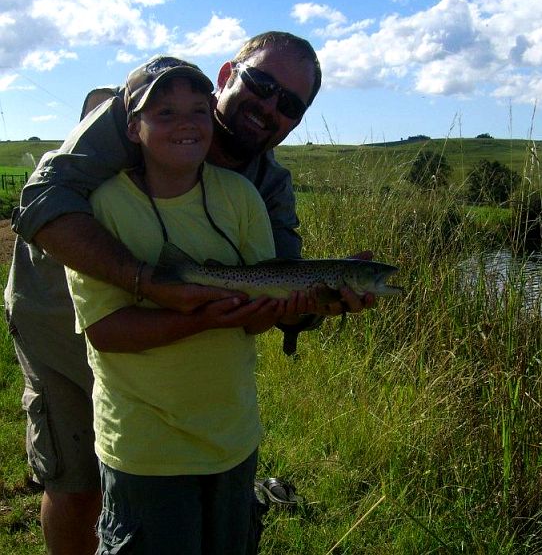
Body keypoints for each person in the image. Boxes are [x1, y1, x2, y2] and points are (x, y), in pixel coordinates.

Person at [4, 31, 373, 554]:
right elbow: (40, 200)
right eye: (261, 84)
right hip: (57, 309)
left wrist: (324, 301)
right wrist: (150, 283)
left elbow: (284, 285)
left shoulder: (264, 187)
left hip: (176, 363)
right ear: (228, 75)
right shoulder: (155, 109)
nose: (269, 106)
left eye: (289, 103)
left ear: (296, 120)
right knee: (78, 482)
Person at [65, 55, 306, 553]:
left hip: (232, 439)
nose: (186, 123)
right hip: (145, 450)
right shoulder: (101, 208)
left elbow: (258, 309)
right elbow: (106, 332)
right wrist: (198, 318)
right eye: (165, 113)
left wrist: (297, 308)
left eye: (197, 111)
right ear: (132, 128)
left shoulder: (244, 196)